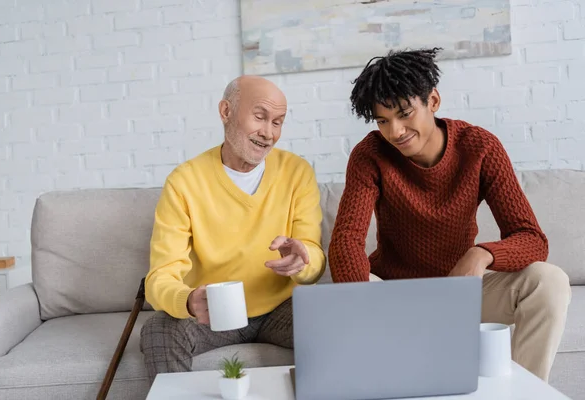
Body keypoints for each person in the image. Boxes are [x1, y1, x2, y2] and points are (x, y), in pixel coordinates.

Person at [328, 48, 571, 382]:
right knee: (351, 288)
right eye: (383, 120)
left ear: (433, 100)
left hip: (461, 293)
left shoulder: (480, 148)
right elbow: (346, 242)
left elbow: (531, 239)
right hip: (397, 299)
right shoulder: (369, 155)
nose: (395, 131)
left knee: (549, 281)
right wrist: (365, 308)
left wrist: (481, 254)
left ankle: (524, 391)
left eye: (405, 114)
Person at [140, 75, 326, 380]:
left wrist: (303, 258)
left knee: (335, 320)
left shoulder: (297, 172)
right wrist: (188, 300)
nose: (268, 133)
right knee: (158, 330)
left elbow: (315, 257)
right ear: (226, 111)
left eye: (277, 122)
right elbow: (160, 276)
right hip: (215, 314)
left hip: (283, 308)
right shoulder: (184, 181)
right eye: (260, 117)